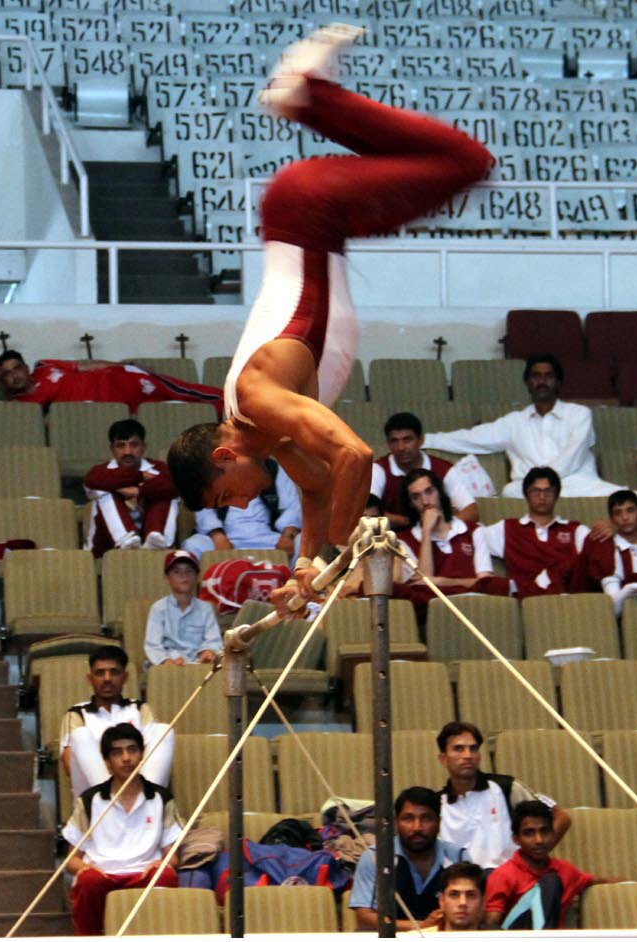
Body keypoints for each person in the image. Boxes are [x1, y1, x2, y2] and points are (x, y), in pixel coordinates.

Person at [166, 25, 492, 606]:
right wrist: (305, 566)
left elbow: (355, 456)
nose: (241, 507)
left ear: (223, 457)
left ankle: (312, 94)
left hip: (311, 211)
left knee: (466, 161)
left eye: (226, 498)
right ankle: (309, 96)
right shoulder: (263, 433)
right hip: (313, 220)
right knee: (447, 163)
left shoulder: (257, 399)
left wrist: (342, 553)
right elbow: (316, 489)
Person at [423, 353, 623, 499]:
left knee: (636, 499)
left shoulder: (579, 414)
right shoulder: (513, 422)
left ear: (558, 382)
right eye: (536, 376)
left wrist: (543, 482)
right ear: (527, 382)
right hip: (528, 491)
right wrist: (426, 439)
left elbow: (573, 456)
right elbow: (471, 438)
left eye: (548, 376)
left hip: (577, 485)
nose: (542, 381)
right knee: (510, 491)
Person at [62, 723, 182, 936]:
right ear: (108, 763)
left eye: (132, 750)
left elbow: (172, 856)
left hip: (145, 873)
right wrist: (84, 869)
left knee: (165, 876)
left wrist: (163, 864)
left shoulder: (161, 797)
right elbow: (71, 859)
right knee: (88, 881)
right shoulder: (90, 800)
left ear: (142, 755)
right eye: (118, 753)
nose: (126, 758)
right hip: (103, 876)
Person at [436, 720, 569, 871]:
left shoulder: (506, 787)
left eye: (473, 749)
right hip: (462, 888)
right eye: (458, 749)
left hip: (509, 883)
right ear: (443, 759)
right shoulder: (436, 803)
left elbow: (561, 817)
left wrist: (533, 860)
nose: (468, 755)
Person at [349, 786, 469, 931]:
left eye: (426, 818)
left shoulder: (458, 857)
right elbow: (364, 918)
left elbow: (475, 910)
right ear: (396, 823)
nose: (417, 827)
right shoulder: (374, 857)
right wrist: (421, 927)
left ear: (439, 822)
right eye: (408, 818)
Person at [60, 646, 174, 796]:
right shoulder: (76, 713)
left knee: (164, 730)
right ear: (90, 679)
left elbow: (149, 758)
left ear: (125, 677)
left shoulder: (140, 709)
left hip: (140, 788)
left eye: (114, 672)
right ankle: (112, 801)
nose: (107, 678)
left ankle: (143, 800)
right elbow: (71, 767)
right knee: (81, 735)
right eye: (100, 673)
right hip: (96, 798)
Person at [484, 800, 616, 929]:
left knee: (551, 881)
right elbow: (491, 925)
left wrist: (627, 883)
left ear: (553, 833)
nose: (539, 840)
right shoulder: (503, 875)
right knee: (550, 882)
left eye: (544, 831)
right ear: (516, 839)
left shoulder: (566, 871)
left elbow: (597, 880)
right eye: (529, 833)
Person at [0, 349, 222, 414]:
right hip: (113, 406)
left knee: (183, 390)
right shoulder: (22, 404)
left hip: (122, 379)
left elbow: (84, 365)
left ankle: (233, 399)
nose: (14, 376)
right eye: (6, 374)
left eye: (16, 369)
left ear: (26, 367)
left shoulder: (44, 366)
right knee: (182, 409)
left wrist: (123, 365)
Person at [472, 467, 591, 598]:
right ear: (526, 495)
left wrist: (612, 526)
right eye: (536, 491)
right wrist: (483, 573)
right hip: (527, 601)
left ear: (557, 495)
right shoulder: (508, 528)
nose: (542, 496)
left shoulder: (574, 530)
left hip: (566, 599)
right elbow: (474, 534)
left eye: (548, 491)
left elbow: (593, 554)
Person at [84, 419, 178, 556]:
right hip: (105, 547)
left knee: (167, 492)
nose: (127, 451)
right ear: (112, 449)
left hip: (152, 543)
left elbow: (178, 484)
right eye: (120, 446)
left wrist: (140, 491)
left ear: (144, 447)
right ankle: (125, 539)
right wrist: (140, 476)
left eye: (134, 445)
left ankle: (157, 537)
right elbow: (91, 481)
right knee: (106, 492)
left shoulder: (159, 468)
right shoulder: (100, 471)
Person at [370, 412, 480, 528]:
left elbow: (472, 511)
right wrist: (414, 523)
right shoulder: (378, 470)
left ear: (421, 440)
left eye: (407, 440)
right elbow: (367, 515)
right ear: (388, 443)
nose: (401, 447)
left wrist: (440, 527)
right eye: (394, 441)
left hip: (437, 539)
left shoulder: (443, 469)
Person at [396, 468, 490, 604]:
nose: (425, 502)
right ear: (410, 504)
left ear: (439, 492)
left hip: (475, 604)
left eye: (429, 492)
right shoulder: (403, 541)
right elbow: (424, 585)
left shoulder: (473, 531)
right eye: (416, 497)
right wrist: (426, 532)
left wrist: (442, 581)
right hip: (434, 609)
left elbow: (485, 583)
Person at [181, 459, 302, 559]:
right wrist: (218, 536)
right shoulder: (214, 469)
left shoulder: (272, 468)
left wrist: (288, 536)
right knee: (193, 545)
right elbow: (205, 508)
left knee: (300, 543)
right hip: (227, 540)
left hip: (269, 540)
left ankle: (291, 586)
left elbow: (292, 507)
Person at [143, 549, 223, 668]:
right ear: (167, 578)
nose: (183, 576)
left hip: (199, 665)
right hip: (167, 665)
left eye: (189, 571)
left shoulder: (206, 608)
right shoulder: (158, 609)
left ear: (197, 578)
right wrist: (167, 660)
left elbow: (213, 640)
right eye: (177, 571)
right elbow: (153, 645)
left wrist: (208, 652)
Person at [433, 862, 488, 932]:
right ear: (441, 901)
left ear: (483, 902)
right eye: (454, 895)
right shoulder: (420, 940)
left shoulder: (503, 940)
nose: (463, 903)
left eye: (471, 895)